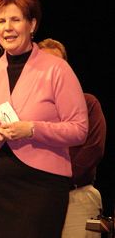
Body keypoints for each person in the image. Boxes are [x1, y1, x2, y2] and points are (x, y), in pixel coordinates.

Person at [0, 0, 89, 238]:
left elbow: (79, 129)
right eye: (1, 21)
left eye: (15, 19)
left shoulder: (56, 69)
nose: (7, 27)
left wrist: (32, 129)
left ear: (32, 24)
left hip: (40, 188)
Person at [38, 38, 106, 238]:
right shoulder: (27, 111)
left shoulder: (87, 103)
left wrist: (55, 179)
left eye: (57, 65)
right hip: (37, 200)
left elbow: (93, 150)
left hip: (77, 197)